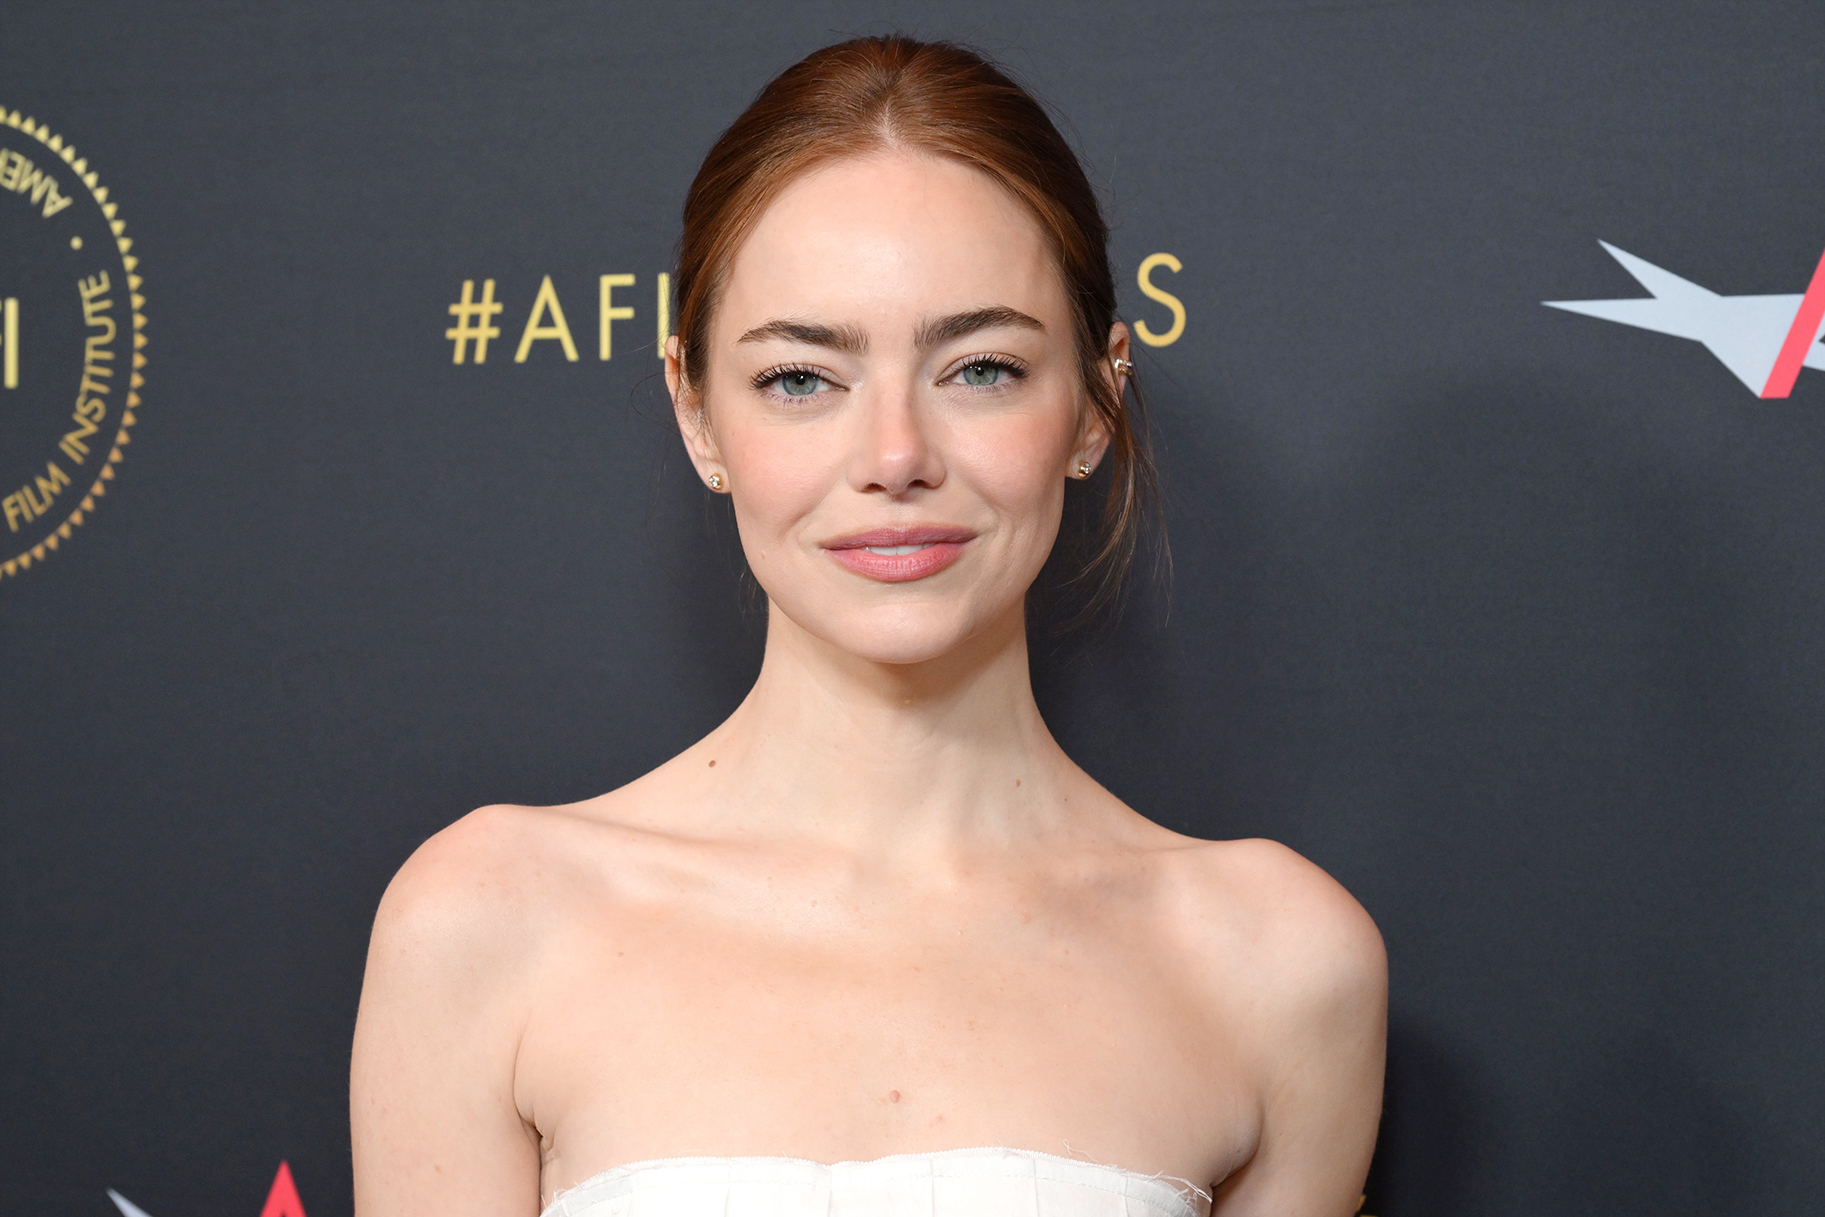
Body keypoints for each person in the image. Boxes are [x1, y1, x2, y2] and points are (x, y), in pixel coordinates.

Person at [350, 35, 1385, 1217]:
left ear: (1095, 402)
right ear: (697, 415)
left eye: (980, 367)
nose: (895, 456)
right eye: (801, 378)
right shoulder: (484, 923)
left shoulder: (1279, 964)